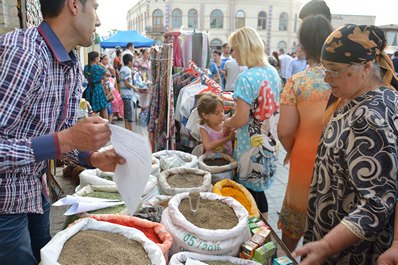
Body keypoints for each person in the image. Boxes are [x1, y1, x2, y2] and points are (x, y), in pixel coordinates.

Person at [0, 0, 124, 264]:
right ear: (74, 5)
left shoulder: (71, 66)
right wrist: (64, 139)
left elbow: (58, 138)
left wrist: (91, 159)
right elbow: (58, 139)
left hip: (35, 191)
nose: (98, 21)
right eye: (95, 7)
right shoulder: (24, 54)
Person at [292, 24, 398, 265]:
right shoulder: (356, 95)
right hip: (332, 233)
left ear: (367, 67)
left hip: (348, 250)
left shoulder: (370, 117)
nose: (327, 78)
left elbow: (376, 204)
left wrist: (327, 246)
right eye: (325, 69)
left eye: (335, 70)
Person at [276, 15, 333, 252]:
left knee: (292, 230)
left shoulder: (297, 83)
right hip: (339, 162)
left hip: (304, 158)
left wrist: (293, 150)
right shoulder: (346, 79)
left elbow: (285, 131)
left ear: (304, 44)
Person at [224, 27, 282, 216]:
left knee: (248, 195)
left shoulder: (246, 77)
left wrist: (225, 122)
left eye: (233, 49)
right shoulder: (272, 71)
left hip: (250, 145)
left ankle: (254, 236)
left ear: (243, 48)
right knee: (259, 191)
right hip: (269, 143)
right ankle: (264, 234)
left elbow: (241, 118)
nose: (232, 54)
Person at [83, 51, 110, 119]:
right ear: (95, 58)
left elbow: (86, 76)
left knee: (91, 109)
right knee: (103, 108)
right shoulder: (98, 67)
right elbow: (108, 74)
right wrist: (103, 66)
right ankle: (104, 125)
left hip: (89, 88)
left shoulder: (86, 67)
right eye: (98, 58)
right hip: (98, 89)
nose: (99, 60)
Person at [120, 53, 138, 131]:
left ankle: (127, 129)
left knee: (127, 114)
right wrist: (134, 88)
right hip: (127, 94)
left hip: (124, 94)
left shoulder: (122, 69)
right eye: (132, 61)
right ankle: (130, 131)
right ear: (130, 62)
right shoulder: (127, 70)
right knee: (129, 114)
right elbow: (127, 83)